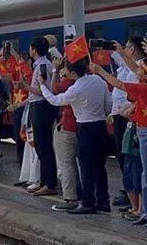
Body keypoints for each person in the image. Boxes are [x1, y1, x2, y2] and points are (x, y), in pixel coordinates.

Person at [91, 48, 147, 227]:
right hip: (145, 131)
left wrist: (100, 71)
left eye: (141, 69)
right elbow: (133, 71)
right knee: (146, 174)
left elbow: (119, 84)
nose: (136, 69)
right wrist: (123, 54)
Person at [40, 57, 111, 214]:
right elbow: (108, 104)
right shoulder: (98, 80)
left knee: (86, 167)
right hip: (100, 125)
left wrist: (42, 86)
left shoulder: (76, 88)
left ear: (73, 73)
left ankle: (88, 202)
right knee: (100, 166)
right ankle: (103, 200)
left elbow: (55, 100)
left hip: (85, 127)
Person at [17, 37, 58, 196]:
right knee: (40, 145)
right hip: (38, 106)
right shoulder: (39, 65)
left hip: (41, 106)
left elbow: (44, 91)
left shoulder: (42, 66)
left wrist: (25, 87)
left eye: (30, 47)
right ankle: (44, 180)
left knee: (44, 145)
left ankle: (50, 183)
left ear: (34, 49)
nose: (29, 50)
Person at [109, 36, 146, 207]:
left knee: (130, 159)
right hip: (121, 114)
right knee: (124, 156)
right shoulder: (129, 68)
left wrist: (101, 72)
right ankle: (131, 195)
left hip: (129, 117)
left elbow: (124, 88)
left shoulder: (141, 69)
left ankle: (136, 200)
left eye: (126, 48)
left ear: (132, 50)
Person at [45, 59, 79, 211]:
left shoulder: (69, 82)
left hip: (68, 125)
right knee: (85, 165)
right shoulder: (94, 81)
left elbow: (53, 91)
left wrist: (55, 71)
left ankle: (70, 198)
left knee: (66, 164)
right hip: (83, 127)